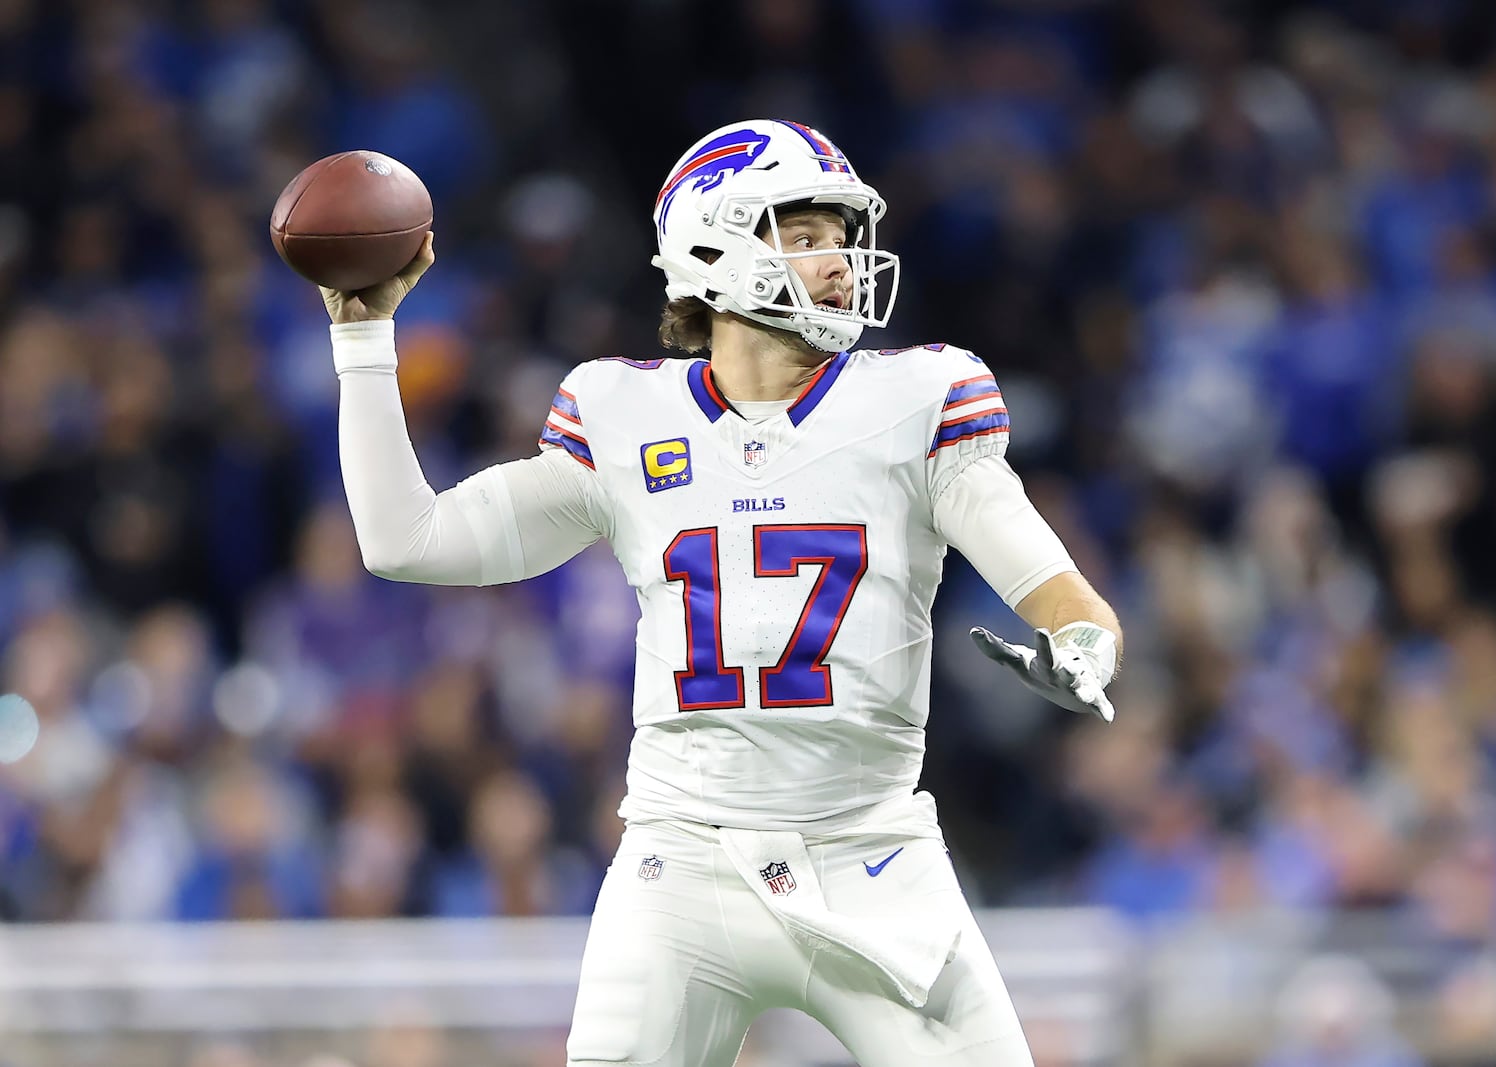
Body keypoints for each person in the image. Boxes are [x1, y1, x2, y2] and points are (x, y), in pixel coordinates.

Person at [322, 119, 1122, 1067]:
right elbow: (405, 540)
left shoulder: (917, 397)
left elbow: (1056, 586)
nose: (839, 261)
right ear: (713, 245)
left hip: (869, 848)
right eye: (805, 233)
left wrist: (1084, 645)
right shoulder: (623, 413)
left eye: (842, 236)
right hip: (680, 864)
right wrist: (367, 340)